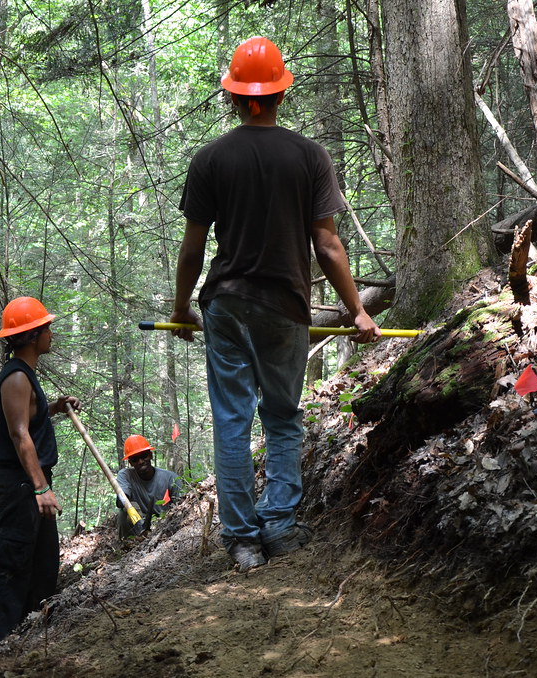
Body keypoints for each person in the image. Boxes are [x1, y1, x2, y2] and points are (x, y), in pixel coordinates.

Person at [170, 36, 381, 572]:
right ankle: (280, 526)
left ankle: (242, 541)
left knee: (232, 420)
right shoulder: (310, 157)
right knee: (283, 417)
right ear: (281, 94)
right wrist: (356, 309)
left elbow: (193, 248)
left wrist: (180, 308)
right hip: (285, 307)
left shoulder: (210, 159)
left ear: (235, 98)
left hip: (225, 305)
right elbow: (328, 244)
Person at [0, 296, 80, 642]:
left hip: (30, 482)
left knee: (43, 563)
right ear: (32, 334)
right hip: (19, 486)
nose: (51, 333)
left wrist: (54, 407)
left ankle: (28, 637)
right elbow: (19, 435)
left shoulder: (25, 376)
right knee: (11, 561)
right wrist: (40, 488)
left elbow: (26, 418)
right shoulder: (16, 377)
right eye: (46, 327)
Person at [115, 434, 181, 538]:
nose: (141, 461)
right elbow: (122, 499)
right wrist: (131, 509)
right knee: (123, 513)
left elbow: (181, 507)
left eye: (144, 455)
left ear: (150, 455)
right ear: (130, 463)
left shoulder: (170, 478)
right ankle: (127, 547)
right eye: (135, 459)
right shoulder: (126, 475)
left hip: (164, 524)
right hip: (138, 523)